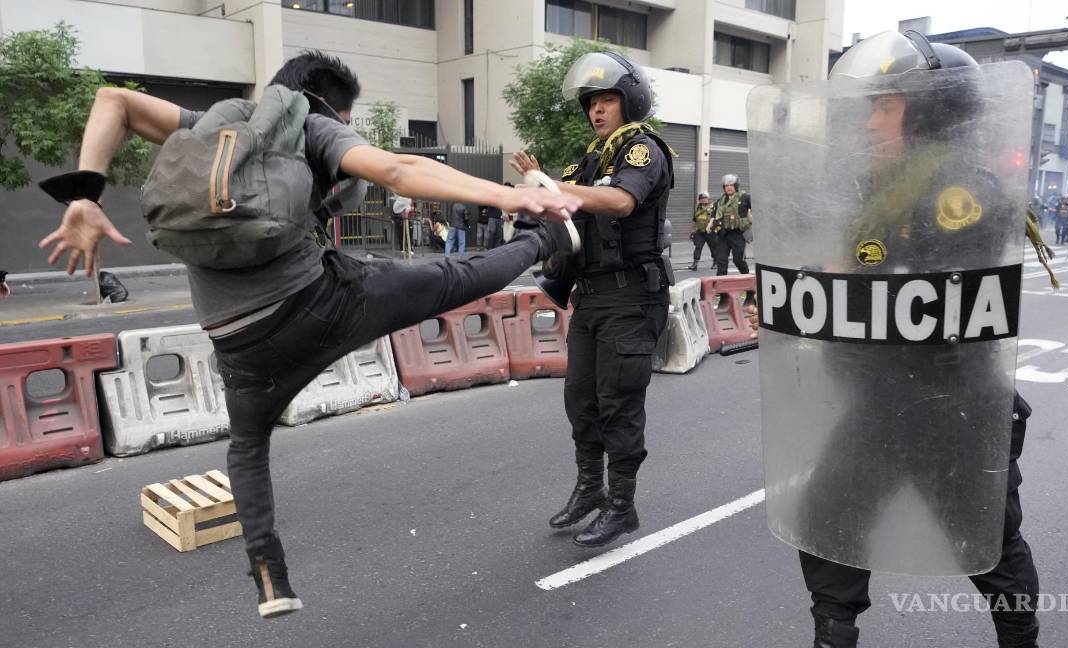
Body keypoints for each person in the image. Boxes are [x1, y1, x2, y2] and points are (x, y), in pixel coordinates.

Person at [36, 50, 580, 619]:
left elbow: (112, 100)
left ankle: (270, 577)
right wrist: (511, 195)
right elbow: (397, 169)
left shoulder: (212, 125)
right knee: (449, 279)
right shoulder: (312, 124)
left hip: (237, 342)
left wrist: (85, 195)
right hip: (317, 306)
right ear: (331, 105)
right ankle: (545, 240)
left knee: (247, 446)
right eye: (348, 119)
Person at [776, 32, 1041, 648]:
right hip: (881, 400)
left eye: (884, 105)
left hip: (952, 405)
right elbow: (869, 268)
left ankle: (1021, 641)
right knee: (828, 522)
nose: (869, 122)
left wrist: (854, 282)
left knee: (989, 544)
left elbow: (929, 281)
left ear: (929, 108)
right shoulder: (888, 187)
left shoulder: (959, 190)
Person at [508, 51, 673, 548]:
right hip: (591, 298)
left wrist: (555, 187)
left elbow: (621, 201)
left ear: (629, 102)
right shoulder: (588, 160)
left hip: (631, 299)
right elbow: (567, 215)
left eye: (607, 100)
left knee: (618, 404)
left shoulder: (642, 151)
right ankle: (590, 491)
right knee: (580, 402)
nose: (597, 110)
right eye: (592, 103)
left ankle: (623, 506)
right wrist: (539, 189)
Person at [709, 173, 752, 275]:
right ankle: (721, 287)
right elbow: (714, 213)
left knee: (738, 260)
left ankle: (747, 279)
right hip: (723, 234)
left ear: (736, 186)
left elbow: (757, 209)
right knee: (721, 260)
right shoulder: (720, 201)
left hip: (738, 234)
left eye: (731, 185)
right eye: (726, 186)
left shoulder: (745, 197)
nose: (728, 188)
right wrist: (709, 224)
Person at [688, 191, 714, 271]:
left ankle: (716, 262)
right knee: (698, 247)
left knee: (714, 248)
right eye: (702, 198)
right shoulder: (698, 209)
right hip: (700, 232)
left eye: (705, 198)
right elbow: (694, 220)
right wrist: (692, 231)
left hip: (711, 232)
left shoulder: (713, 207)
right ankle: (695, 264)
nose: (704, 200)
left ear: (708, 199)